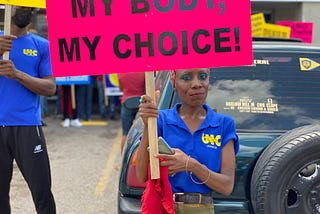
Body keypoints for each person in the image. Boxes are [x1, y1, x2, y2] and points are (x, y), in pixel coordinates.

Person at [136, 68, 239, 213]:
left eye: (203, 76)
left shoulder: (223, 124)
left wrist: (191, 165)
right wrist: (148, 125)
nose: (197, 84)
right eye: (186, 78)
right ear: (173, 81)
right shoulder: (161, 120)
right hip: (166, 207)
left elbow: (227, 186)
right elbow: (141, 175)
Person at [0, 6, 56, 214]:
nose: (26, 8)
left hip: (27, 126)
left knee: (42, 193)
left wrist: (17, 74)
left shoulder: (41, 45)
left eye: (29, 5)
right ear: (7, 6)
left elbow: (50, 88)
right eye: (19, 3)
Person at [118, 72, 145, 154]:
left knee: (125, 133)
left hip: (127, 102)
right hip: (140, 103)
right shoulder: (142, 73)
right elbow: (145, 88)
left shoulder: (121, 73)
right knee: (142, 133)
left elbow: (121, 88)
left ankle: (123, 161)